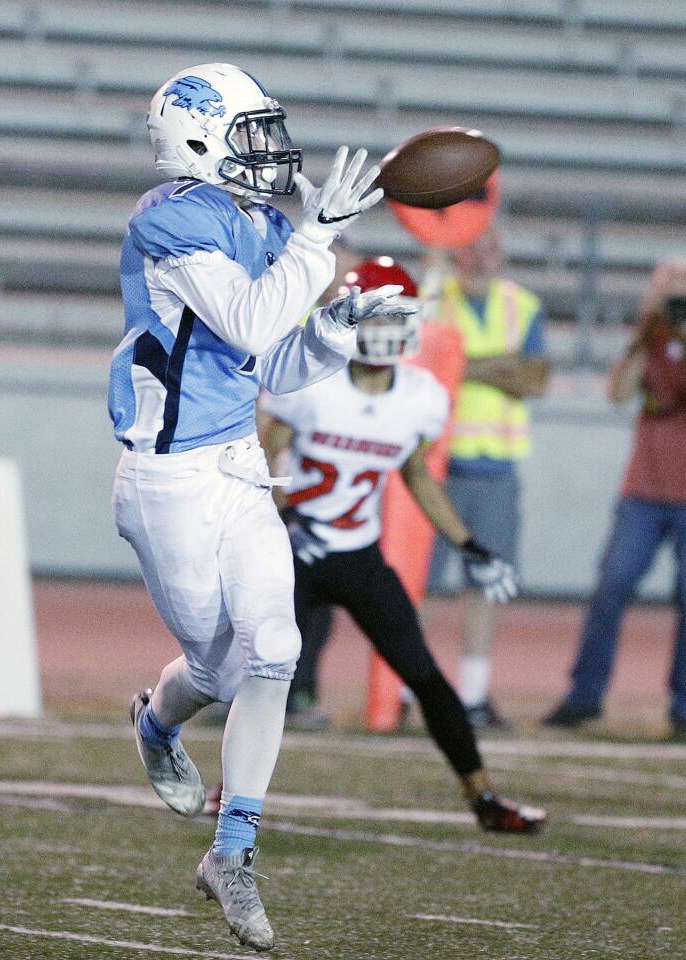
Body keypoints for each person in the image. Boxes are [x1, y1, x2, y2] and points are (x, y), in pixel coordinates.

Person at [108, 62, 405, 951]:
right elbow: (241, 319)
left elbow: (265, 362)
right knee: (219, 668)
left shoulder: (257, 222)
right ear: (199, 140)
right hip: (167, 479)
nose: (268, 153)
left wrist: (330, 334)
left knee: (275, 644)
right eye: (249, 134)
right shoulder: (170, 216)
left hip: (238, 463)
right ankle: (158, 720)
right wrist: (316, 244)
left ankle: (232, 850)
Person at [262, 256, 547, 834]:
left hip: (357, 554)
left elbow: (417, 475)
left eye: (395, 314)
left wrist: (470, 546)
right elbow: (264, 458)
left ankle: (484, 799)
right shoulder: (310, 378)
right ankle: (225, 785)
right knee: (259, 681)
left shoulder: (419, 394)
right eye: (374, 313)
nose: (385, 326)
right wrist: (285, 524)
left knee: (427, 678)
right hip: (294, 551)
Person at [544, 260, 686, 740]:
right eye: (668, 286)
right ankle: (585, 696)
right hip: (644, 490)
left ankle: (683, 705)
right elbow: (619, 394)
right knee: (611, 589)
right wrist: (647, 334)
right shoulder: (650, 337)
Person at [428, 226, 550, 728]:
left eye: (488, 248)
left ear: (501, 254)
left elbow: (535, 379)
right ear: (456, 253)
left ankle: (473, 696)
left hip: (494, 469)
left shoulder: (522, 304)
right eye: (470, 247)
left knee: (486, 585)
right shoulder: (433, 298)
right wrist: (501, 365)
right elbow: (427, 367)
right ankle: (411, 689)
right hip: (433, 468)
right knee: (414, 587)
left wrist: (462, 365)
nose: (479, 257)